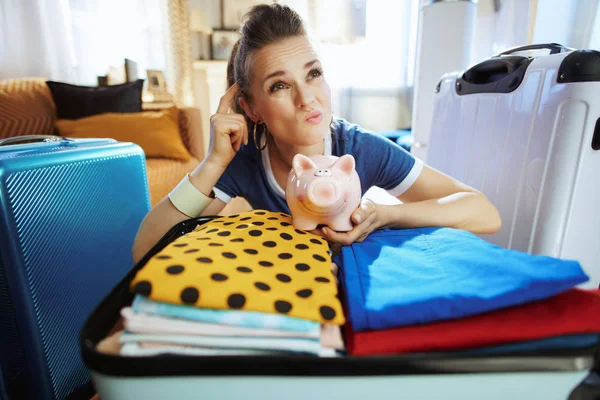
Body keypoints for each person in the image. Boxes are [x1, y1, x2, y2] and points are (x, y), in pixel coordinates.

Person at [132, 3, 501, 263]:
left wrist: (385, 215)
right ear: (250, 108)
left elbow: (483, 212)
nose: (308, 99)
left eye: (313, 73)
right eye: (279, 86)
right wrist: (213, 162)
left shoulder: (359, 149)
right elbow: (146, 248)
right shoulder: (243, 161)